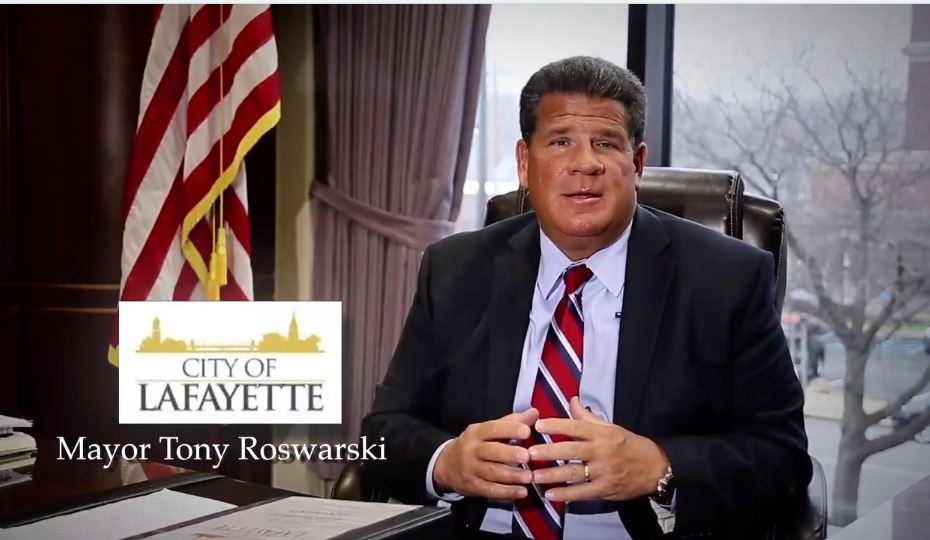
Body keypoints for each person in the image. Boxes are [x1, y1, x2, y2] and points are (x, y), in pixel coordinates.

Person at [361, 56, 811, 539]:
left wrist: (662, 466)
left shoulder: (726, 278)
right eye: (560, 142)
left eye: (606, 143)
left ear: (636, 163)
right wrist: (447, 461)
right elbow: (382, 432)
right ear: (524, 163)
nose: (585, 163)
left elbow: (782, 456)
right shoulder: (455, 269)